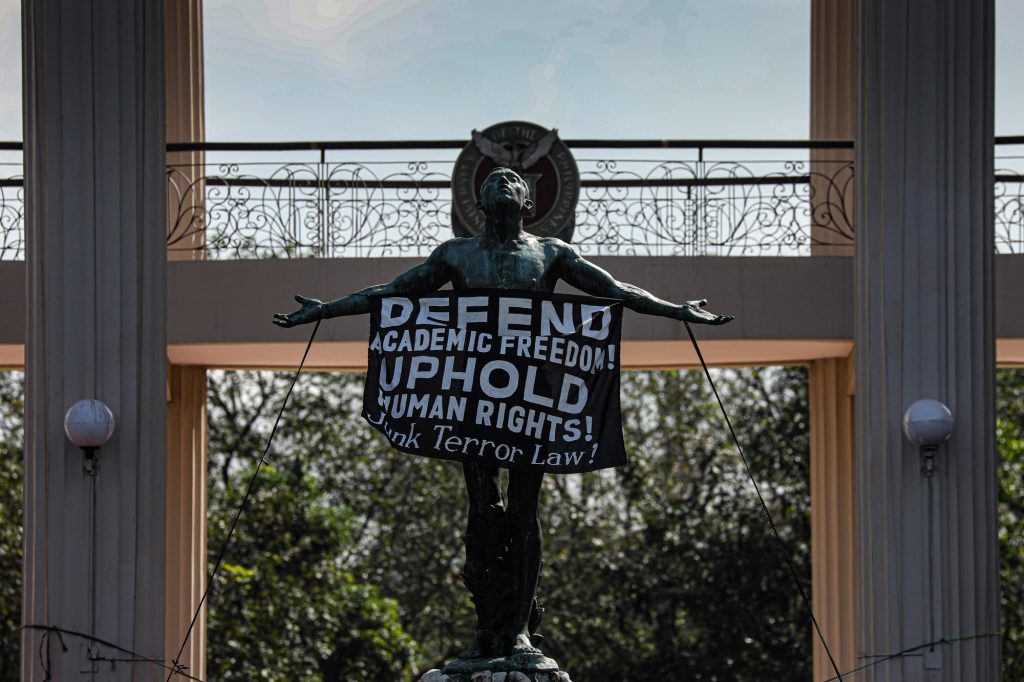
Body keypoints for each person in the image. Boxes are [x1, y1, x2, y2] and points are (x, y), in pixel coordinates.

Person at [273, 167, 733, 664]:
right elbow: (393, 291)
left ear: (527, 200)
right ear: (480, 201)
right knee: (480, 510)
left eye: (511, 178)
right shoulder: (456, 254)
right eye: (490, 179)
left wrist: (676, 310)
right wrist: (325, 310)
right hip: (473, 398)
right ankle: (487, 630)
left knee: (523, 511)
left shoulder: (551, 252)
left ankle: (518, 632)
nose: (499, 182)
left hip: (531, 400)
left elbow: (616, 290)